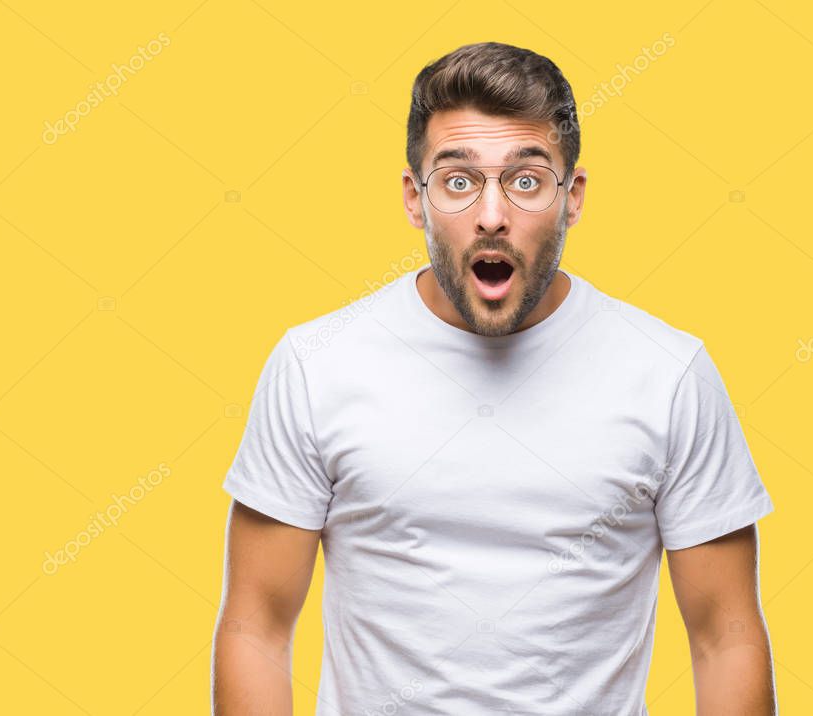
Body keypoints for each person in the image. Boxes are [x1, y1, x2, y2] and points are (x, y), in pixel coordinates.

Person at [212, 41, 776, 715]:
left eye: (525, 180)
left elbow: (724, 638)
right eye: (457, 181)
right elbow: (255, 627)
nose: (490, 215)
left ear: (572, 198)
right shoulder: (316, 364)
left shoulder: (668, 373)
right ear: (414, 199)